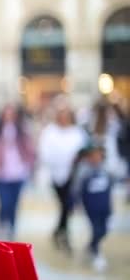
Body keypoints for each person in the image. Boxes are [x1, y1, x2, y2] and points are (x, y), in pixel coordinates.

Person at [38, 97, 86, 254]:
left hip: (73, 175)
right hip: (55, 174)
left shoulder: (77, 132)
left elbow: (83, 151)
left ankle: (61, 233)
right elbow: (45, 153)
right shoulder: (50, 132)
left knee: (67, 206)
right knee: (64, 205)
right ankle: (61, 233)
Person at [0, 103, 36, 241]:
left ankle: (12, 227)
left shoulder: (21, 130)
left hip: (18, 172)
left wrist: (30, 164)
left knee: (14, 203)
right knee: (4, 202)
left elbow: (30, 148)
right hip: (1, 173)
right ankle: (1, 224)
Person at [70, 141, 113, 272]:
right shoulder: (84, 170)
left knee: (104, 229)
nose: (96, 157)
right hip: (91, 207)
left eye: (99, 154)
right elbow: (76, 188)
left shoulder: (106, 168)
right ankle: (96, 252)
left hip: (105, 206)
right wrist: (74, 204)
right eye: (93, 155)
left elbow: (113, 182)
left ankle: (91, 245)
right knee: (96, 229)